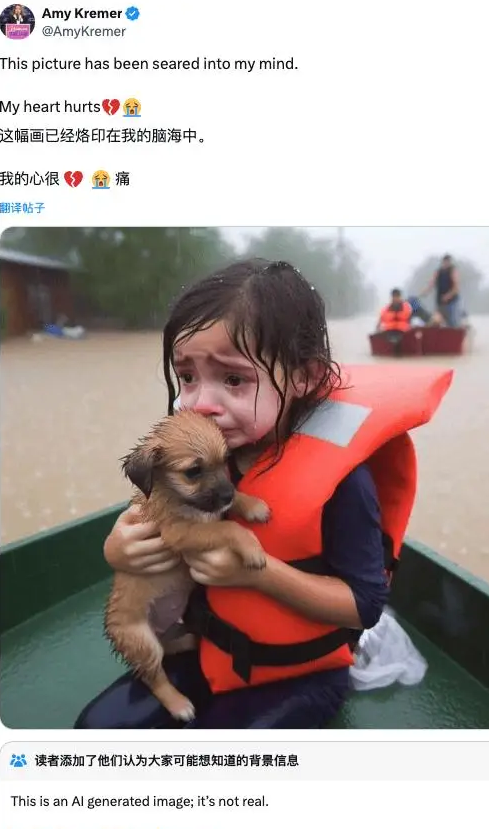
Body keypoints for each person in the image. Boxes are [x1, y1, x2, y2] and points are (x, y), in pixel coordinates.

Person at [74, 259, 452, 729]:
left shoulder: (345, 483)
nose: (201, 403)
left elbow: (365, 606)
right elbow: (152, 518)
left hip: (297, 672)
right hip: (205, 645)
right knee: (95, 729)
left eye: (233, 379)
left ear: (304, 377)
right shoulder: (205, 448)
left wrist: (261, 575)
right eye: (187, 376)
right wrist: (119, 549)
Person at [420, 255, 462, 327]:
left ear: (450, 262)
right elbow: (431, 283)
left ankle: (455, 334)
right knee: (436, 321)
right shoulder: (438, 272)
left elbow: (456, 288)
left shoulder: (453, 271)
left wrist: (448, 296)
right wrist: (425, 292)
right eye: (445, 262)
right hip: (440, 301)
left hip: (452, 301)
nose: (446, 263)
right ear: (443, 262)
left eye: (447, 262)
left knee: (452, 321)